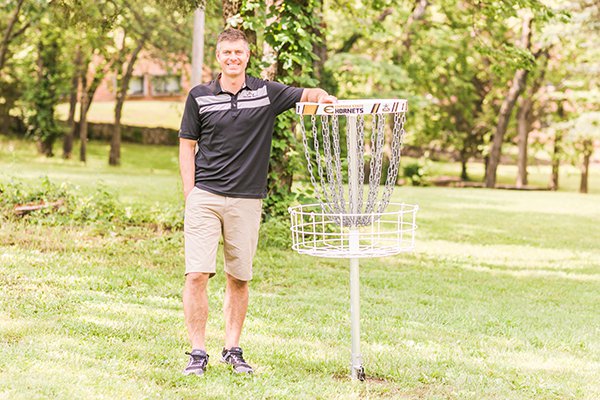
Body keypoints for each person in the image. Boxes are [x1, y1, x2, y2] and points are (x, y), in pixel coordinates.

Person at [178, 28, 336, 376]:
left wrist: (322, 96)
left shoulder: (266, 93)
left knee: (239, 277)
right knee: (196, 275)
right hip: (205, 196)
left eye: (239, 52)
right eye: (226, 53)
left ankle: (232, 349)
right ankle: (197, 352)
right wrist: (190, 193)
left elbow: (305, 94)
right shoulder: (200, 96)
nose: (233, 58)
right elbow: (187, 144)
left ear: (247, 56)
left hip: (247, 200)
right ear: (217, 57)